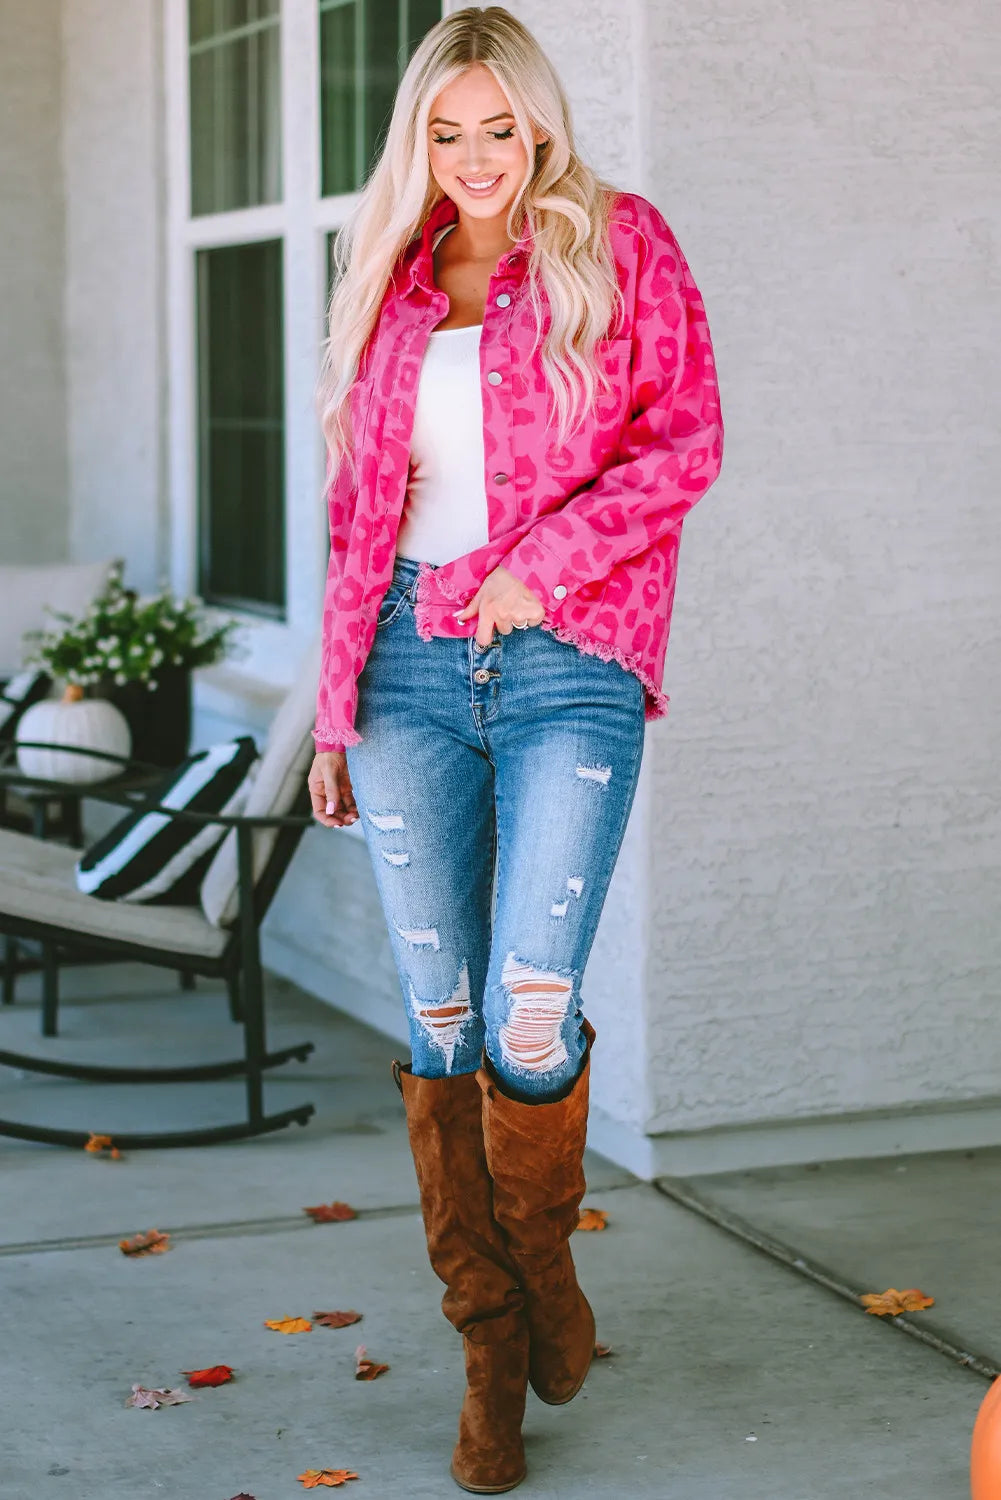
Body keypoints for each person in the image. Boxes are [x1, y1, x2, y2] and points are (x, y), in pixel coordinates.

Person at [307, 6, 723, 1492]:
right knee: (441, 1022)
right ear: (416, 139)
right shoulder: (390, 289)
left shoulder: (620, 246)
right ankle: (496, 1335)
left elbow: (684, 441)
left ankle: (540, 1276)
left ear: (536, 121)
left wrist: (541, 565)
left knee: (526, 1017)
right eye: (445, 131)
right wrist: (334, 705)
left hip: (568, 661)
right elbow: (359, 520)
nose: (475, 158)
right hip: (409, 674)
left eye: (499, 126)